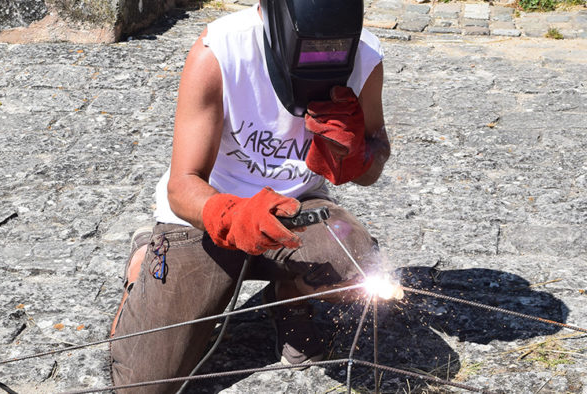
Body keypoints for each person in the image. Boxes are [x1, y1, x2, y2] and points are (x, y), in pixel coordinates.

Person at [108, 0, 389, 392]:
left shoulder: (365, 55)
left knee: (361, 272)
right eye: (310, 48)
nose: (324, 58)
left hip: (297, 208)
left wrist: (358, 154)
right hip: (208, 215)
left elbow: (376, 160)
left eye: (334, 49)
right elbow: (182, 184)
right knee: (143, 387)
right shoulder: (220, 51)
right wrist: (229, 215)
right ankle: (146, 257)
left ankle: (291, 295)